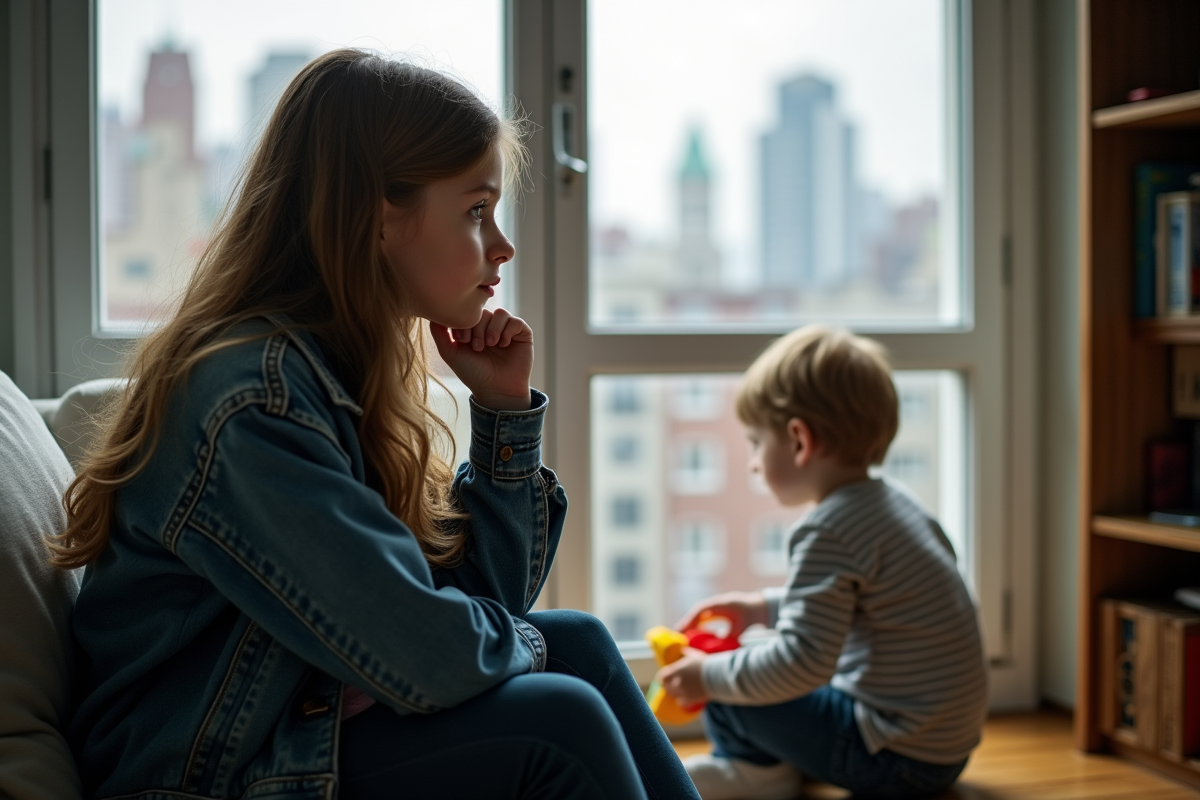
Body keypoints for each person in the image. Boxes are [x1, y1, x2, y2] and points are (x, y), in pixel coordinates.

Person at [50, 49, 699, 800]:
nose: (503, 247)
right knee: (560, 714)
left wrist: (502, 416)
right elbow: (429, 653)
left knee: (578, 643)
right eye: (476, 210)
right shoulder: (252, 398)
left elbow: (484, 604)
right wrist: (512, 642)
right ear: (378, 217)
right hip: (205, 776)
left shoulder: (326, 369)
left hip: (292, 725)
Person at [658, 326, 987, 800]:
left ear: (798, 441)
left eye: (755, 443)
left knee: (730, 685)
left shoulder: (826, 529)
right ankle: (783, 758)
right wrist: (761, 609)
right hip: (943, 751)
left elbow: (801, 663)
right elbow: (855, 604)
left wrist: (705, 676)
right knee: (759, 655)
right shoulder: (896, 503)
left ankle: (756, 773)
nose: (752, 463)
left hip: (894, 761)